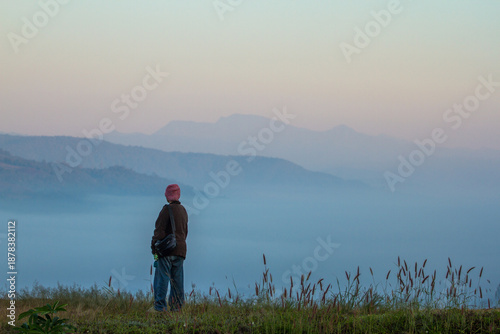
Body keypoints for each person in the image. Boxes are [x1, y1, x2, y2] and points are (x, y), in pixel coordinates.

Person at [151, 184, 189, 312]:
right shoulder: (183, 210)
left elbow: (159, 232)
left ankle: (160, 308)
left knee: (162, 279)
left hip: (167, 251)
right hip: (181, 250)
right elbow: (185, 232)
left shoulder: (166, 210)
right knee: (177, 282)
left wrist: (154, 251)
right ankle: (177, 308)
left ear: (167, 196)